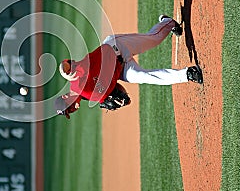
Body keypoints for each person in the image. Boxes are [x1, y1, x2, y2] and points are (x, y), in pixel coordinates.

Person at [55, 15, 204, 119]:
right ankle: (188, 74)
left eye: (69, 107)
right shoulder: (91, 99)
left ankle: (168, 22)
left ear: (65, 97)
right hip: (122, 70)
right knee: (143, 77)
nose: (74, 109)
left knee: (153, 39)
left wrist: (64, 70)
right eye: (70, 111)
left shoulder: (76, 79)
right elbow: (117, 89)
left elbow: (65, 65)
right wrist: (123, 100)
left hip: (117, 47)